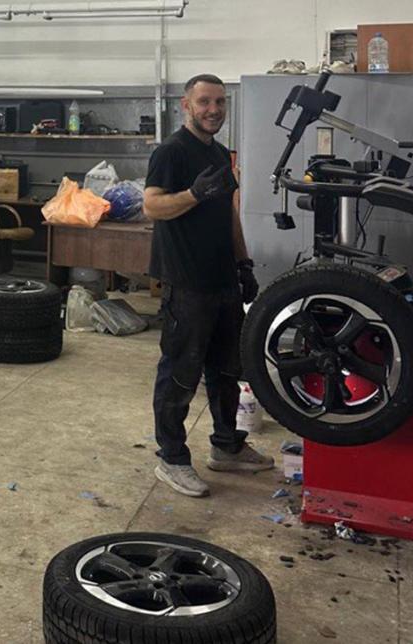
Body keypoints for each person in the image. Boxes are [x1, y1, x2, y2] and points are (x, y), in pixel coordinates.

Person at [142, 73, 274, 498]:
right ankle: (172, 458)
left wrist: (243, 262)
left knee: (226, 370)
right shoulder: (172, 151)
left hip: (222, 278)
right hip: (187, 280)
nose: (213, 110)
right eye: (204, 102)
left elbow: (228, 213)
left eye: (219, 102)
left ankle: (226, 446)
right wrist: (193, 195)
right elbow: (152, 206)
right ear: (187, 105)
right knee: (181, 372)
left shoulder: (218, 153)